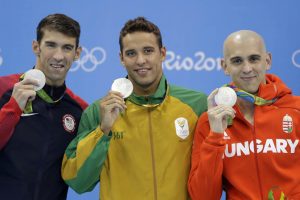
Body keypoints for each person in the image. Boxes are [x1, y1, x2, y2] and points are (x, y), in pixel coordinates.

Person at [62, 17, 207, 200]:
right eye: (131, 53)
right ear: (121, 58)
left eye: (148, 51)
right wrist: (103, 130)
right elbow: (77, 181)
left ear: (162, 53)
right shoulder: (98, 112)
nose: (140, 60)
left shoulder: (196, 105)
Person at [188, 30, 300, 200]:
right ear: (225, 66)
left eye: (254, 59)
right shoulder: (211, 122)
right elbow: (203, 196)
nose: (247, 68)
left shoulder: (296, 110)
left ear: (267, 60)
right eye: (237, 61)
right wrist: (215, 137)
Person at [0, 13, 88, 200]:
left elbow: (82, 181)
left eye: (67, 48)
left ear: (77, 53)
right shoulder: (3, 89)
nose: (58, 56)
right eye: (51, 45)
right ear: (36, 47)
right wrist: (12, 108)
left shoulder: (79, 110)